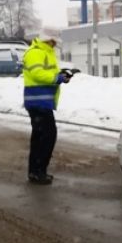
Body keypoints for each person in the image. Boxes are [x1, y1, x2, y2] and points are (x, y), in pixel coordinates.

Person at [22, 26, 73, 185]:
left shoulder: (46, 52)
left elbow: (48, 73)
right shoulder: (35, 52)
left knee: (40, 137)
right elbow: (38, 74)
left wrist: (61, 75)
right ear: (48, 39)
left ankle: (36, 171)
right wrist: (57, 78)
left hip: (42, 101)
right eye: (54, 41)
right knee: (48, 136)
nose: (55, 44)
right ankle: (38, 171)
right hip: (38, 101)